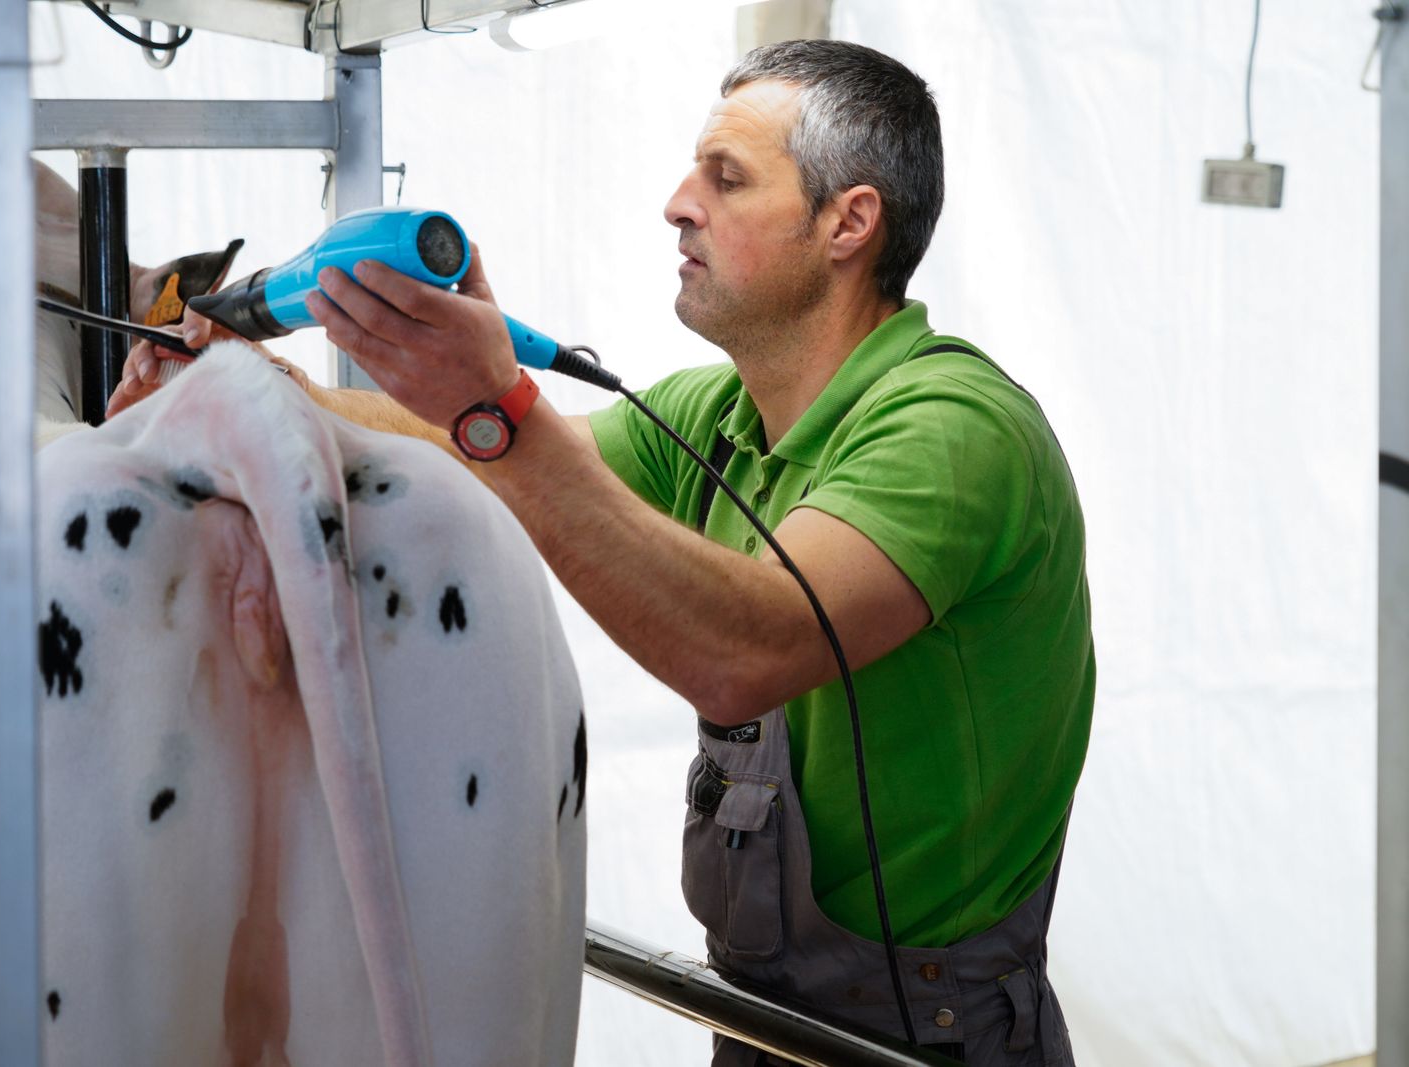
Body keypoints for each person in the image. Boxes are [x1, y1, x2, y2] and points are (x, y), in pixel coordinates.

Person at [110, 38, 1093, 1067]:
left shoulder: (951, 429)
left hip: (932, 1041)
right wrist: (269, 391)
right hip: (768, 1020)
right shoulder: (716, 417)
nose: (677, 204)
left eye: (726, 177)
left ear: (848, 222)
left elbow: (747, 648)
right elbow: (474, 454)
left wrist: (497, 408)